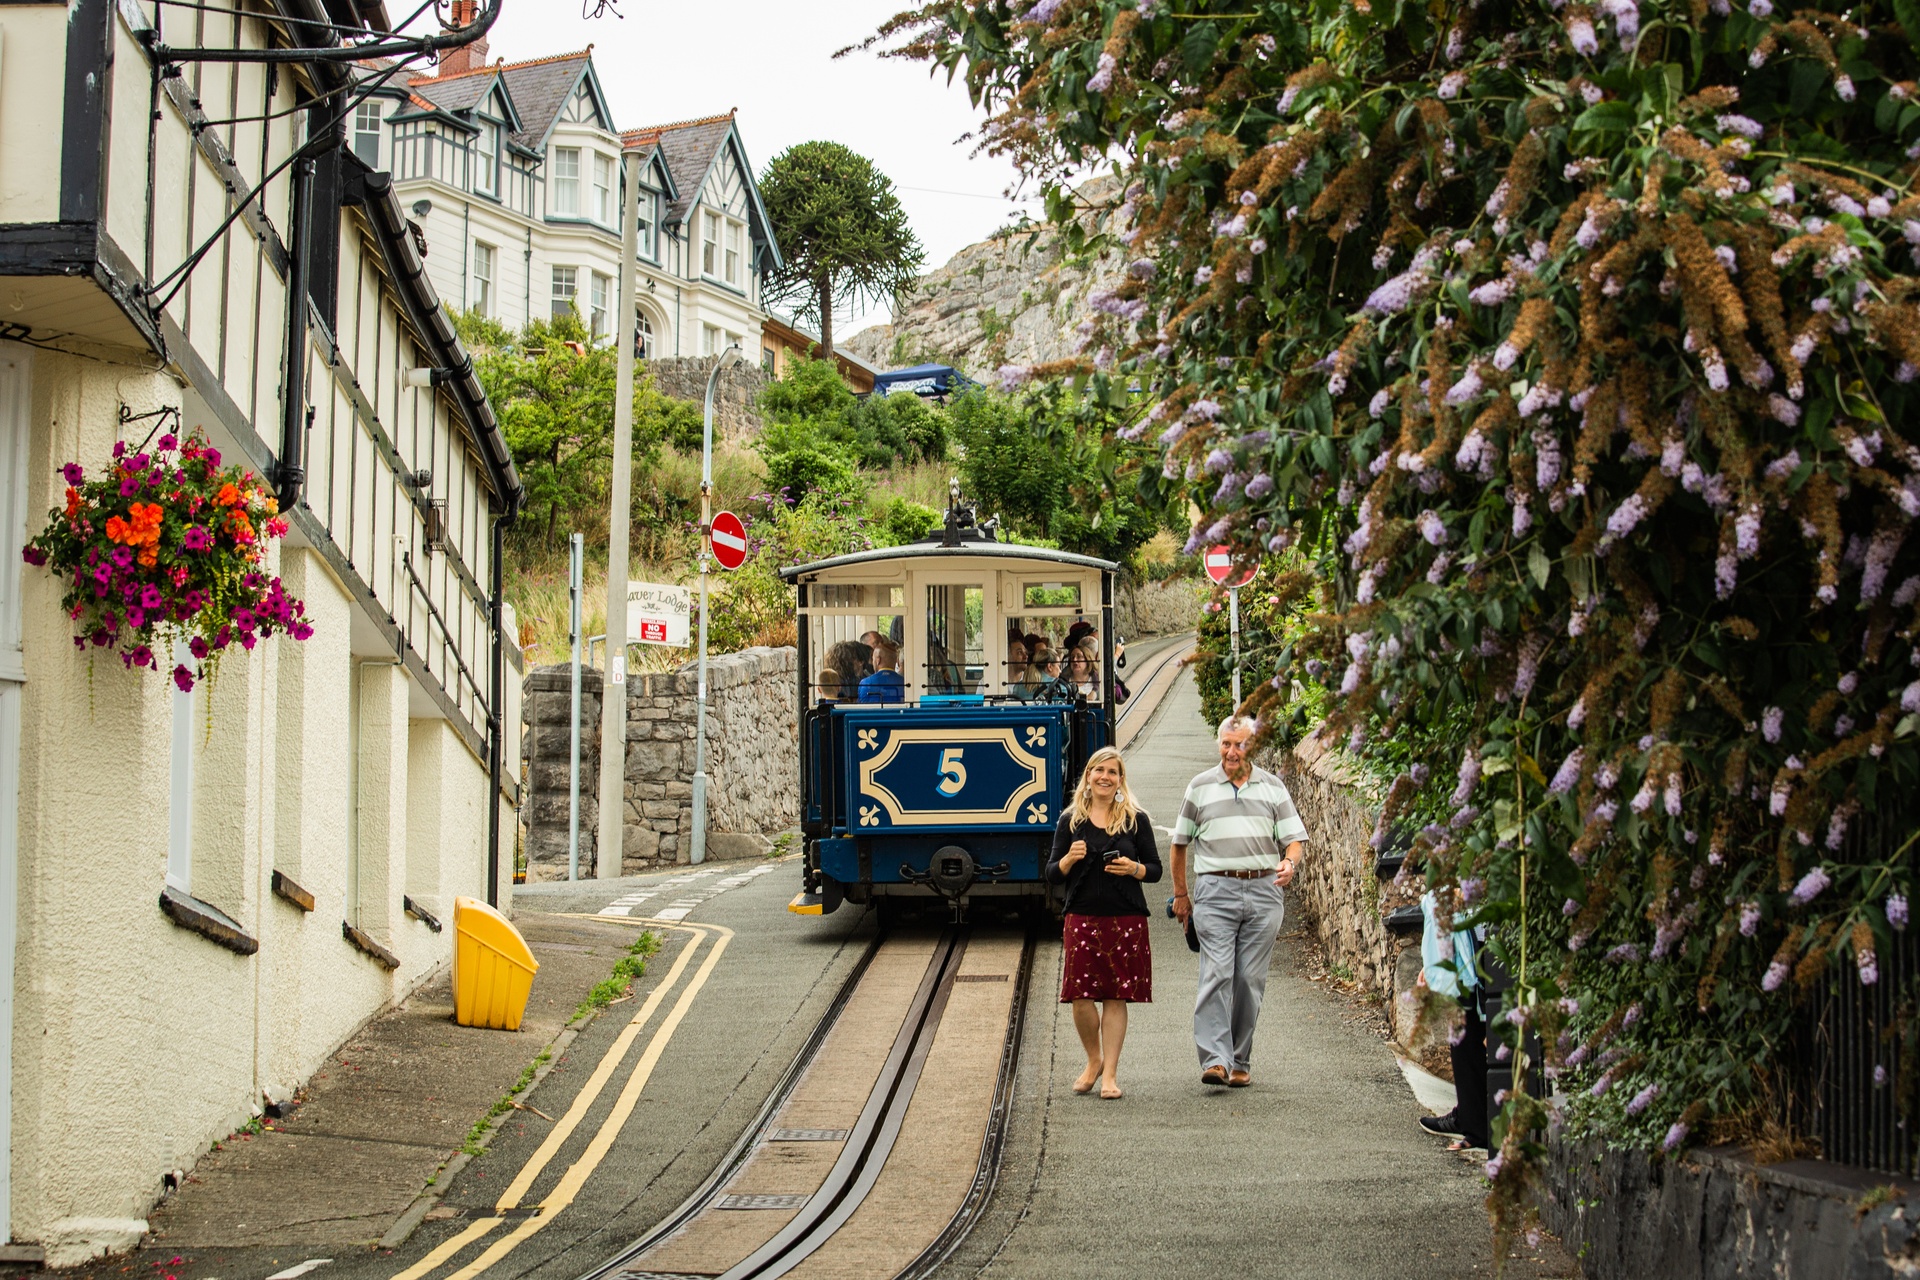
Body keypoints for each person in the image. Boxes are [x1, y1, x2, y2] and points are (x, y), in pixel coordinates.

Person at [1169, 715, 1309, 1088]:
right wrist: (1182, 896)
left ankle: (1240, 1057)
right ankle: (1215, 1059)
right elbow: (1179, 844)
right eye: (1226, 744)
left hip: (1264, 891)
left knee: (1248, 979)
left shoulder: (1273, 787)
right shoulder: (1199, 787)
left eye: (1240, 744)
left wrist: (1289, 862)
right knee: (1217, 972)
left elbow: (1294, 839)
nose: (1232, 752)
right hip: (1215, 891)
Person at [1047, 747, 1160, 1100]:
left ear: (1120, 780)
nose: (1105, 777)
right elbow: (1051, 874)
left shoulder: (1134, 820)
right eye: (1099, 770)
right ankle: (1093, 1060)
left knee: (1115, 996)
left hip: (1125, 918)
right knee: (1080, 997)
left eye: (1113, 772)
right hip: (1081, 918)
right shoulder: (1070, 820)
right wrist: (1067, 859)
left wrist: (1134, 869)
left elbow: (1154, 870)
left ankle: (1110, 1074)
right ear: (1088, 776)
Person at [1417, 889, 1490, 1152]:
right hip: (1471, 940)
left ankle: (1477, 1126)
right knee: (1463, 1033)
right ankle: (1470, 1115)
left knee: (1466, 1034)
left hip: (1483, 941)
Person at [1005, 636, 1031, 700]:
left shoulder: (1031, 680)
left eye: (1026, 653)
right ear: (1007, 656)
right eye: (1019, 652)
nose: (1026, 657)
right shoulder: (990, 682)